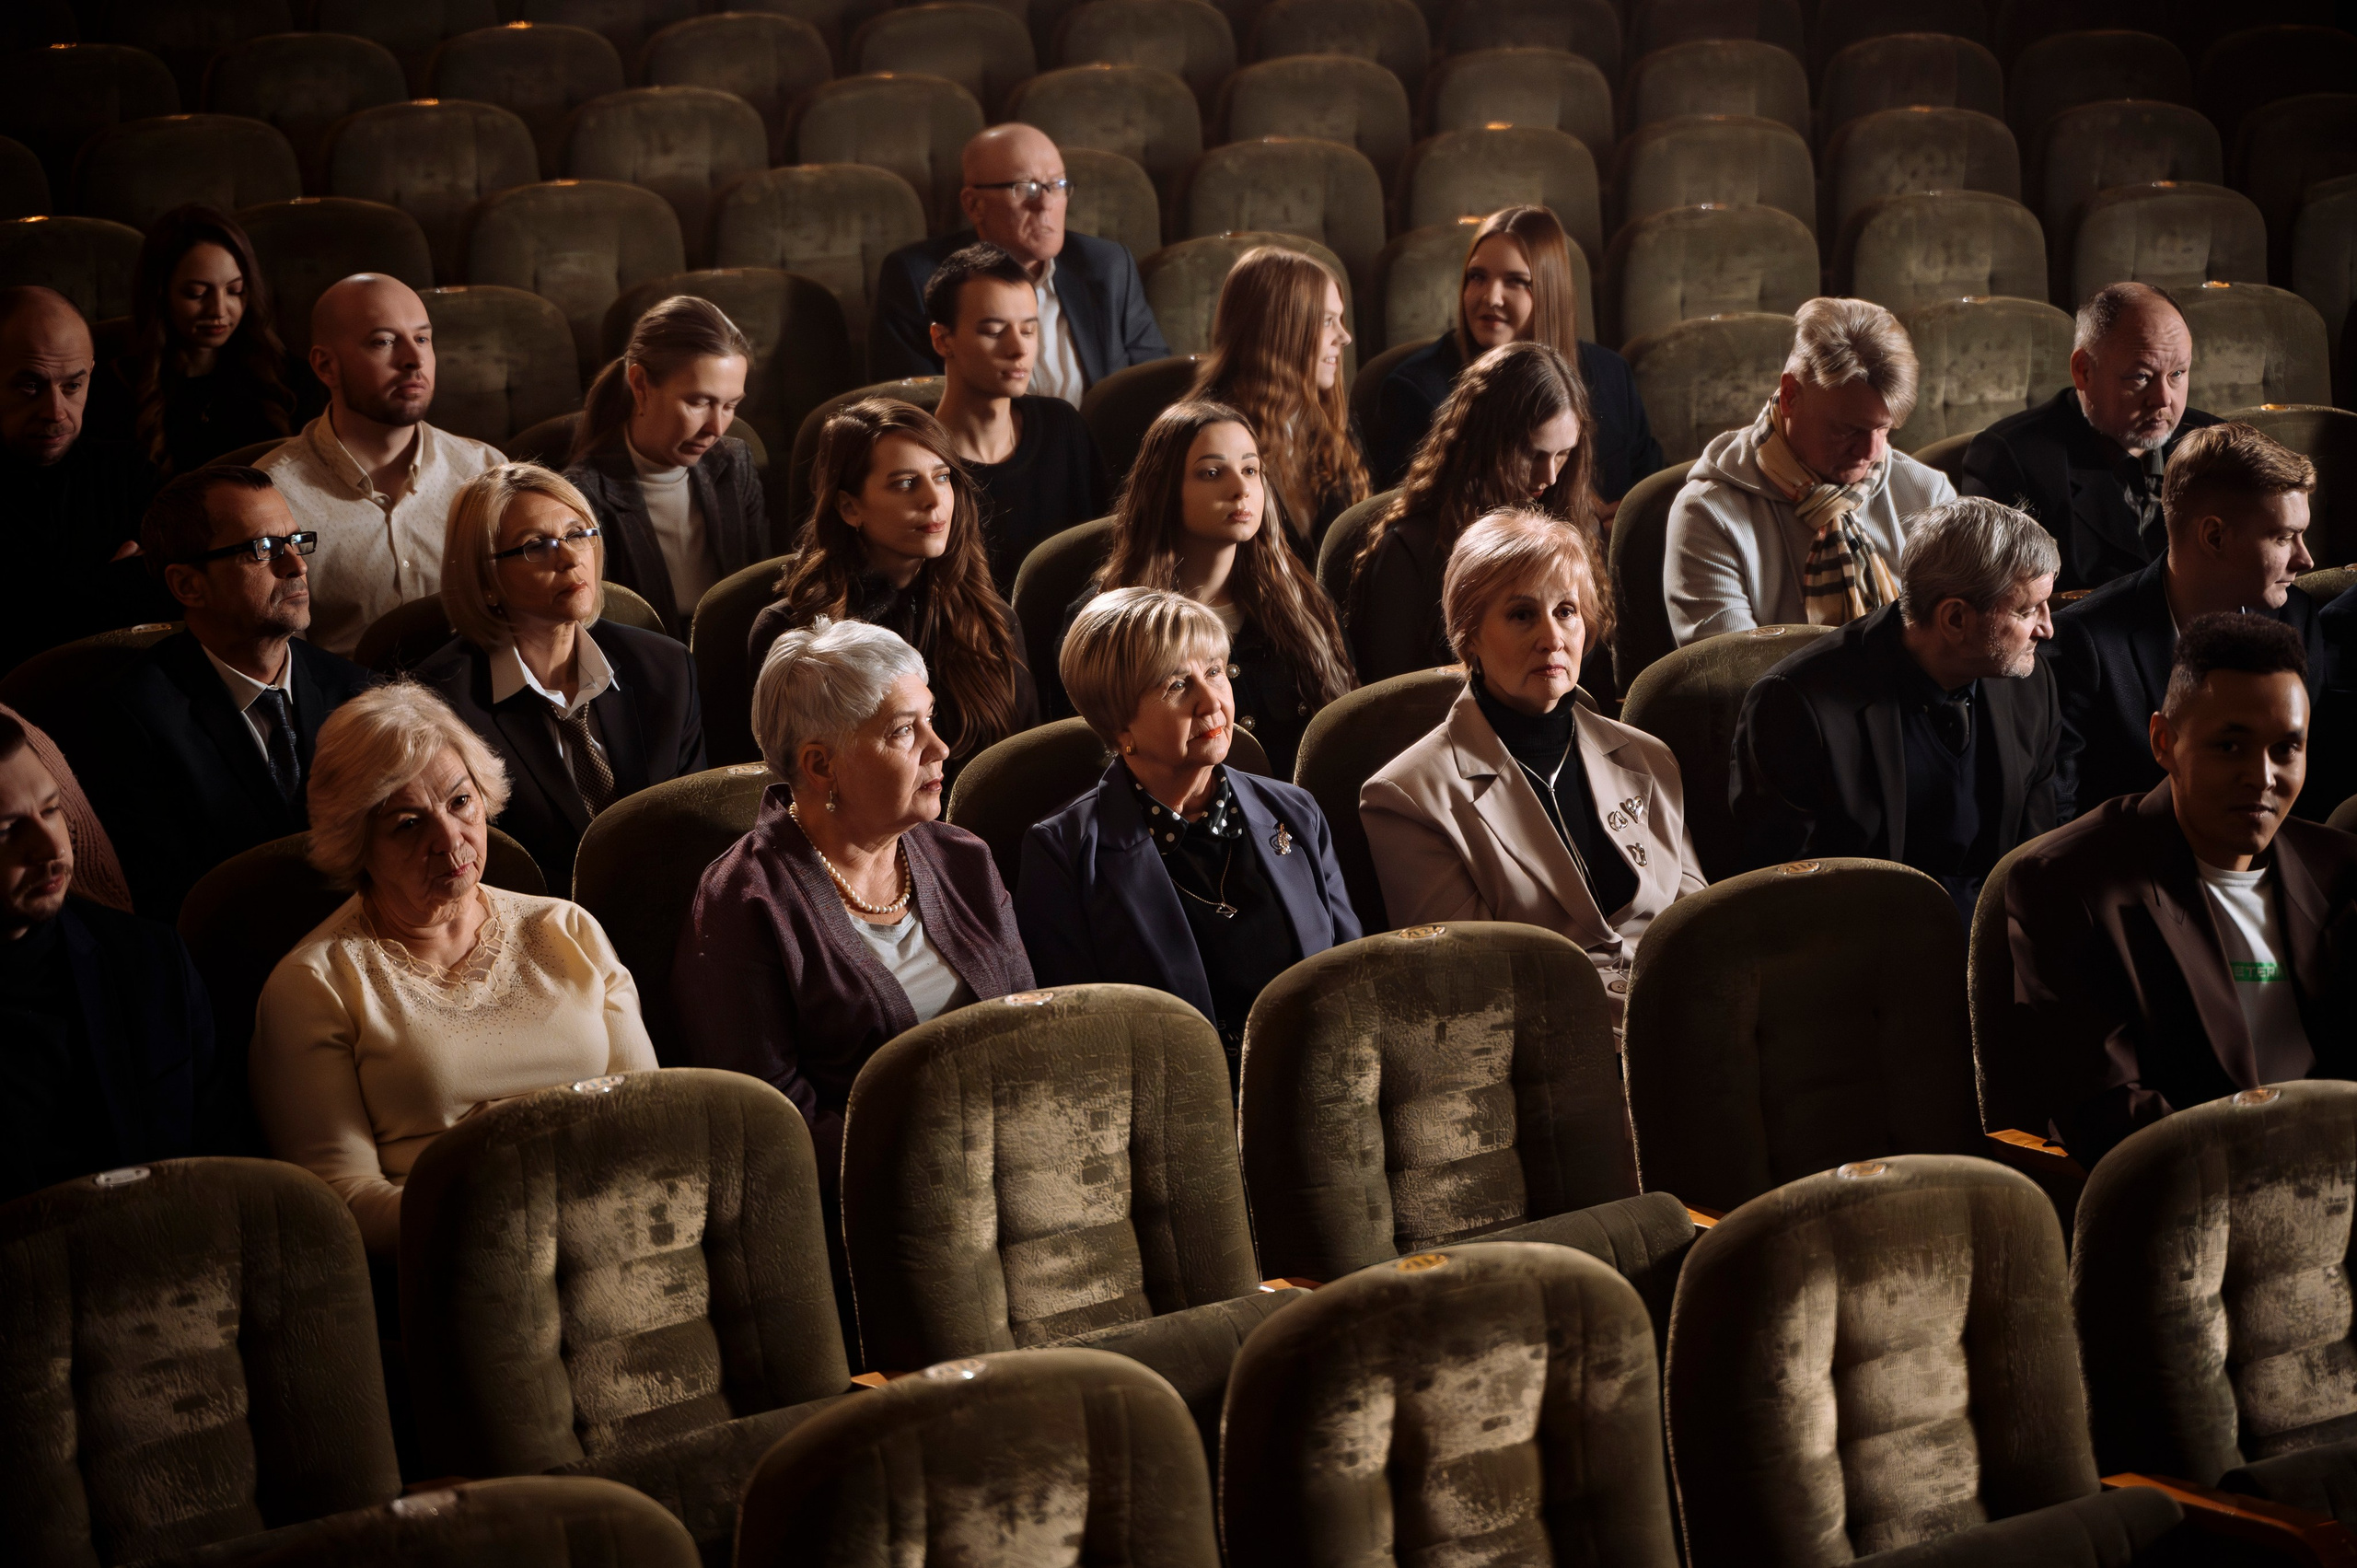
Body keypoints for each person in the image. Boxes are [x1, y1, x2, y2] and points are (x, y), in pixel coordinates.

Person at [250, 683, 656, 1256]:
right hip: (459, 1259)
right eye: (408, 824)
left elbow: (649, 1120)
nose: (448, 839)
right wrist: (491, 1205)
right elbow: (340, 1202)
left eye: (460, 801)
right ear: (357, 843)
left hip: (619, 1232)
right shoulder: (314, 985)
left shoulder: (567, 930)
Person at [673, 617, 1030, 1180]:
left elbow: (1031, 1027)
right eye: (903, 731)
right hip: (870, 1191)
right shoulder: (742, 902)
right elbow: (773, 1121)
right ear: (821, 765)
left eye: (930, 719)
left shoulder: (964, 858)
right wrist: (932, 1167)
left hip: (1016, 1158)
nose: (939, 747)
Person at [2007, 614, 2357, 1166]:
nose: (2263, 776)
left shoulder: (2340, 868)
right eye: (2230, 746)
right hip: (2193, 1188)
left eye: (2286, 749)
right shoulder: (2068, 883)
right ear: (2164, 742)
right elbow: (2103, 1108)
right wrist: (2269, 1165)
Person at [1360, 510, 1703, 1018]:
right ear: (1469, 635)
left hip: (1683, 1019)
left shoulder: (1648, 757)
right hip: (1547, 1043)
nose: (1552, 638)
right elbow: (1469, 986)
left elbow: (1698, 927)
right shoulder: (1408, 796)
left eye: (1566, 611)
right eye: (1522, 615)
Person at [1018, 587, 1359, 1085]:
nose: (1212, 701)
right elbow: (1082, 1043)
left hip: (1321, 1084)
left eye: (1215, 671)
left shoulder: (1294, 810)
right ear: (1118, 726)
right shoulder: (1064, 854)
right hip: (1175, 1107)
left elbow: (1352, 980)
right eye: (1177, 684)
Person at [1731, 497, 2061, 921]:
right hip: (1867, 937)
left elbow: (2037, 848)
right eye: (2027, 610)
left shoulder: (2030, 681)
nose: (2047, 628)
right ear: (1955, 619)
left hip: (2000, 932)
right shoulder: (1793, 705)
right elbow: (1790, 891)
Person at [74, 467, 375, 921]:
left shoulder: (359, 691)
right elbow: (169, 905)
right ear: (188, 585)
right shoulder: (129, 722)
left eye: (295, 541)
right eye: (264, 548)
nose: (297, 565)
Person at [414, 464, 706, 890]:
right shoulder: (439, 705)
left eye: (577, 534)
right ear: (486, 581)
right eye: (537, 546)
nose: (571, 559)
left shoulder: (666, 667)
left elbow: (693, 829)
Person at [0, 709, 243, 1202]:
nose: (50, 847)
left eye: (51, 810)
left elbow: (232, 1163)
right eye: (5, 830)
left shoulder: (152, 961)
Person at [2047, 422, 2324, 822]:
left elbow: (2317, 787)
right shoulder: (2084, 643)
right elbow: (2058, 819)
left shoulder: (2299, 617)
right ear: (2214, 537)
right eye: (2284, 538)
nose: (2306, 559)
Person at [749, 400, 1037, 779]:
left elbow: (1025, 768)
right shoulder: (792, 634)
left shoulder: (992, 618)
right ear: (849, 508)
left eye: (942, 477)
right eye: (905, 483)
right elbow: (786, 786)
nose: (934, 500)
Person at [1074, 401, 1353, 777]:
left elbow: (1348, 737)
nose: (1241, 489)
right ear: (1164, 489)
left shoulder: (1306, 603)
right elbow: (1095, 764)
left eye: (1251, 470)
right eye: (1211, 473)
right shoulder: (1110, 626)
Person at [1666, 296, 1956, 645]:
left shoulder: (1929, 494)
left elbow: (1957, 645)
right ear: (1790, 395)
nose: (1871, 452)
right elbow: (1734, 672)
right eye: (1847, 430)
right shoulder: (1708, 514)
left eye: (1884, 429)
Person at [258, 273, 503, 657]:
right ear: (326, 366)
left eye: (422, 339)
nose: (413, 360)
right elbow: (280, 661)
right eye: (384, 341)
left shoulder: (486, 470)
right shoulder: (272, 496)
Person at [1369, 205, 1664, 511]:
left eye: (1515, 281)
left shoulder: (1612, 375)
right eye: (1477, 277)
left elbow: (1651, 494)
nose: (1491, 298)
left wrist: (1626, 518)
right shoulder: (1415, 392)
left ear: (1550, 291)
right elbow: (1414, 519)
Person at [1348, 340, 1604, 689]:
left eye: (1563, 454)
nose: (1550, 476)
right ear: (1486, 445)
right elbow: (1396, 698)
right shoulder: (1409, 552)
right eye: (1532, 454)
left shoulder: (1575, 524)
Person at [1960, 282, 2223, 592]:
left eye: (2177, 374)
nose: (2164, 399)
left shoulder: (2219, 444)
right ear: (2083, 370)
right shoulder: (2010, 459)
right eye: (2141, 376)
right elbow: (2000, 603)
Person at [868, 123, 1169, 393]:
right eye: (1027, 188)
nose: (1046, 204)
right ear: (974, 205)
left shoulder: (1108, 265)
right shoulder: (918, 278)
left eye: (1058, 185)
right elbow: (914, 409)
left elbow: (1155, 384)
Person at [561, 295, 772, 638]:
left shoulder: (736, 463)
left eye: (730, 405)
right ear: (641, 385)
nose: (717, 428)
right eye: (698, 402)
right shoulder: (583, 493)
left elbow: (760, 588)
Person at [923, 241, 1110, 592]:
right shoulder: (919, 459)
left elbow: (1105, 553)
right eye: (994, 331)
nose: (1019, 349)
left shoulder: (1062, 426)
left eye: (1028, 330)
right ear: (942, 339)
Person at [0, 285, 163, 674]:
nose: (56, 412)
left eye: (72, 386)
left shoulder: (129, 472)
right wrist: (111, 586)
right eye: (30, 386)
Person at [1186, 245, 1367, 556]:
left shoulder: (1334, 424)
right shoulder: (1204, 437)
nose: (1345, 336)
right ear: (1280, 329)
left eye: (1340, 319)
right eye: (1327, 321)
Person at [90, 204, 296, 477]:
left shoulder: (285, 376)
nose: (219, 310)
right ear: (160, 294)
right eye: (197, 293)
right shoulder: (116, 389)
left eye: (234, 290)